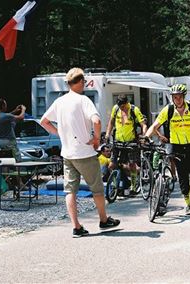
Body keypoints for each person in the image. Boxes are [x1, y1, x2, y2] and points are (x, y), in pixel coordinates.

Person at [40, 67, 120, 238]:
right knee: (97, 189)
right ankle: (103, 220)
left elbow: (44, 121)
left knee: (70, 191)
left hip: (67, 154)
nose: (84, 84)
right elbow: (97, 121)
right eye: (84, 81)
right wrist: (97, 139)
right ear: (80, 82)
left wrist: (59, 133)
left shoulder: (59, 102)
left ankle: (76, 226)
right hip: (85, 152)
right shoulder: (83, 100)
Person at [144, 84, 190, 215]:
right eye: (174, 97)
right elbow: (155, 125)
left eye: (179, 97)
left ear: (183, 97)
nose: (177, 99)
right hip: (177, 146)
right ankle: (188, 203)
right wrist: (146, 137)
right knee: (182, 175)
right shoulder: (168, 110)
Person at [104, 94, 147, 196]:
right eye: (120, 107)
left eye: (123, 107)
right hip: (118, 141)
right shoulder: (116, 108)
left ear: (127, 103)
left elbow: (143, 124)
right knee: (111, 165)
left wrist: (144, 136)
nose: (121, 109)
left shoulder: (134, 110)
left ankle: (133, 186)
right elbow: (111, 122)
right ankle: (115, 186)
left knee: (132, 165)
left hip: (131, 141)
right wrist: (107, 134)